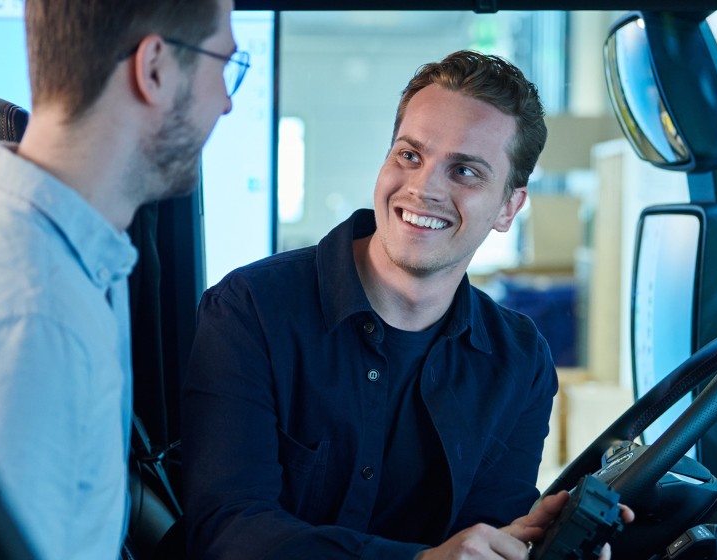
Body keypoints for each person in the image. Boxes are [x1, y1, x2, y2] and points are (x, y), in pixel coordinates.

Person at [182, 50, 630, 559]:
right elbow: (225, 530)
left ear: (509, 207)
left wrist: (530, 540)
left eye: (464, 171)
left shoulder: (519, 361)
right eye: (410, 156)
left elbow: (486, 534)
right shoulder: (250, 312)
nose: (422, 189)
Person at [0, 0, 242, 557]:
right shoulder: (36, 321)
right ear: (153, 69)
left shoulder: (52, 261)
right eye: (223, 65)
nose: (225, 102)